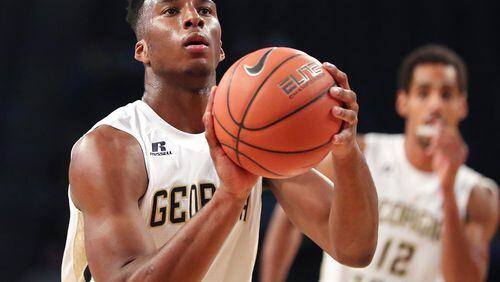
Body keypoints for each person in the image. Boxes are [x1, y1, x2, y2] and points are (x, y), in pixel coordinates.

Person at [61, 1, 379, 281]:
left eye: (205, 10)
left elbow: (354, 248)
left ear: (220, 47)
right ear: (142, 50)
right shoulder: (111, 148)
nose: (193, 18)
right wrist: (229, 197)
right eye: (171, 11)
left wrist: (346, 151)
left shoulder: (253, 137)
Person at [260, 44, 499, 282]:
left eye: (446, 94)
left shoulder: (478, 194)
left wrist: (448, 188)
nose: (436, 105)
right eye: (423, 93)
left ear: (462, 105)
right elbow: (289, 214)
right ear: (403, 102)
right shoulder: (360, 153)